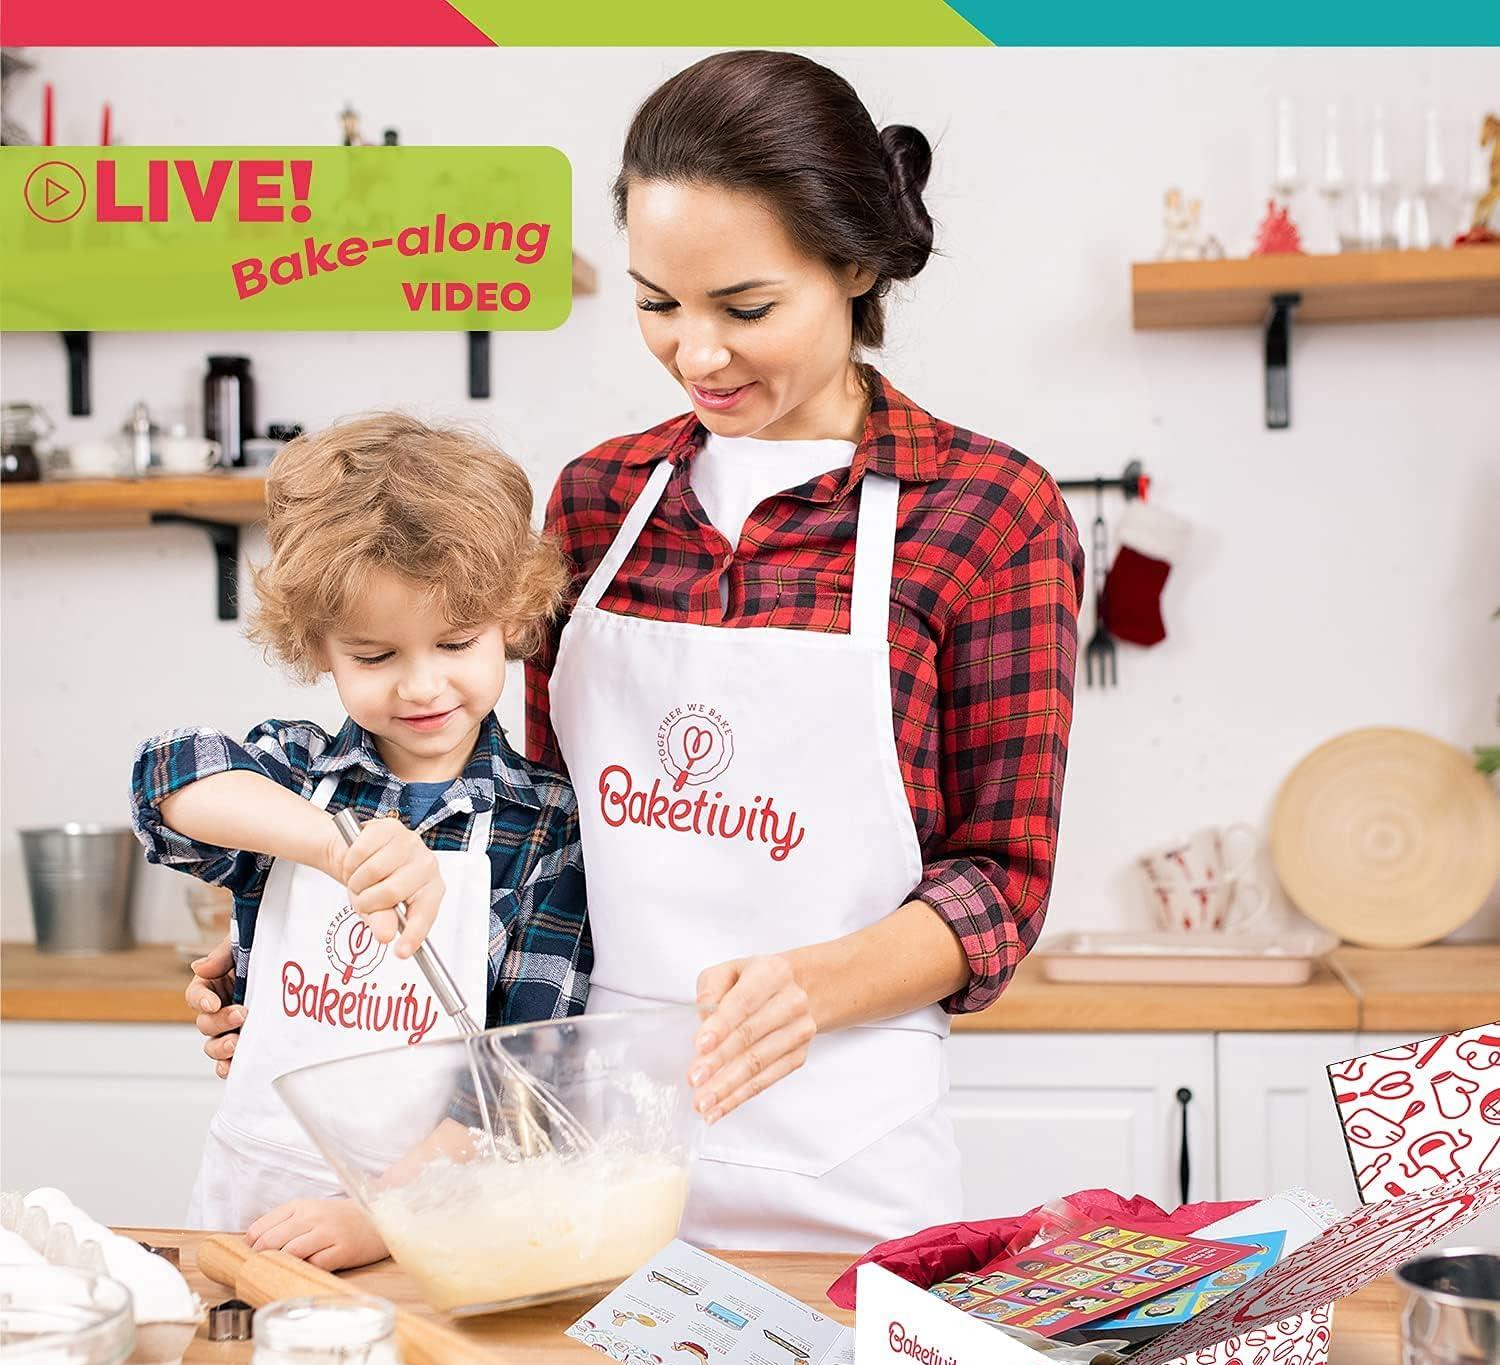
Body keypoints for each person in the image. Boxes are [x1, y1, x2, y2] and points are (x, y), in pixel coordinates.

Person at [196, 50, 1082, 1253]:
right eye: (660, 304)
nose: (699, 354)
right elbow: (526, 825)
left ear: (857, 266)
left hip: (844, 1171)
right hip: (567, 1164)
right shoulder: (602, 498)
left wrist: (809, 987)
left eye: (746, 308)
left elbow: (1000, 881)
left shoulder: (986, 513)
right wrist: (308, 961)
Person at [134, 413, 589, 1266]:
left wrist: (382, 1213)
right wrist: (336, 846)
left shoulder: (549, 826)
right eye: (375, 656)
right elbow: (165, 776)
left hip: (440, 1222)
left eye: (456, 643)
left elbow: (529, 1078)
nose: (421, 684)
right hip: (250, 1198)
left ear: (513, 622)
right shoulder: (291, 773)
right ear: (320, 649)